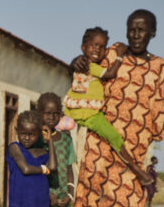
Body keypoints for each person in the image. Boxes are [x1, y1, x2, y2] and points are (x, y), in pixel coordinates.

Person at [71, 9, 164, 207]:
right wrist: (76, 62)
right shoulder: (115, 52)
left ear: (153, 33)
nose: (135, 35)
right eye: (131, 29)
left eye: (141, 30)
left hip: (132, 157)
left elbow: (162, 116)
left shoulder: (159, 67)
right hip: (101, 149)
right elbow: (89, 66)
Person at [64, 28, 152, 185]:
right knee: (114, 138)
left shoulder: (83, 64)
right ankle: (136, 169)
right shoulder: (89, 65)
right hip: (91, 115)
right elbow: (110, 73)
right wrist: (119, 55)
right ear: (83, 47)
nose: (97, 50)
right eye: (93, 45)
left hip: (73, 111)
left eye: (102, 47)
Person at [7, 110, 57, 207]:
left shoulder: (43, 153)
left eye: (32, 134)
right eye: (23, 134)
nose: (27, 138)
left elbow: (53, 167)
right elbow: (25, 169)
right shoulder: (14, 147)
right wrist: (43, 169)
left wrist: (50, 141)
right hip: (21, 203)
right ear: (17, 131)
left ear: (39, 134)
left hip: (39, 202)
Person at [37, 93, 76, 207]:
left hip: (61, 197)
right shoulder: (35, 139)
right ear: (39, 113)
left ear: (61, 114)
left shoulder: (66, 140)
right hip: (41, 196)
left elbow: (69, 169)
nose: (52, 117)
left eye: (56, 114)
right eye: (47, 113)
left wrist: (70, 195)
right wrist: (46, 194)